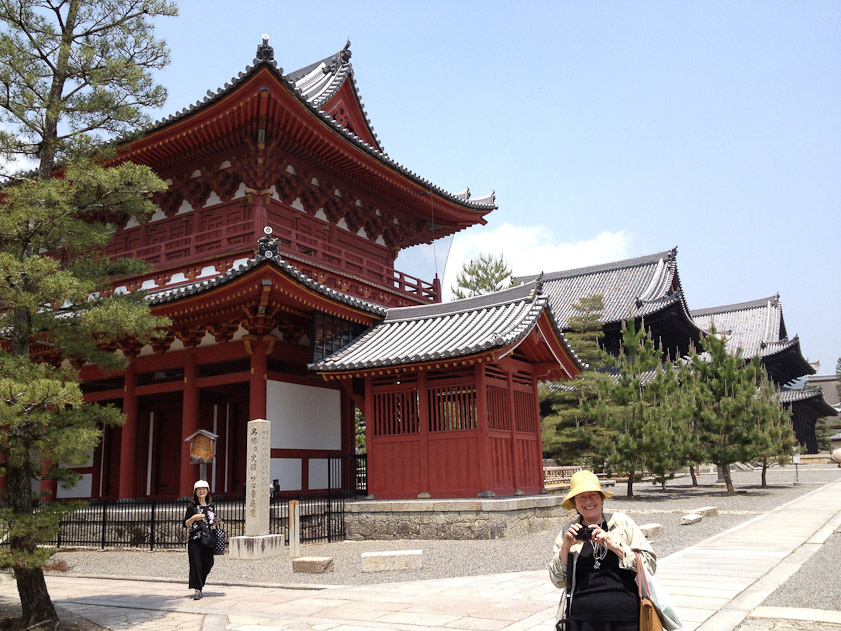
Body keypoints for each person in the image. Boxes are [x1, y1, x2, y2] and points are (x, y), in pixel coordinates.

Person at [548, 470, 656, 631]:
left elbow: (650, 566)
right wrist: (566, 547)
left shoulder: (621, 523)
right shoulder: (568, 531)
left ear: (601, 498)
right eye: (581, 497)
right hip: (581, 620)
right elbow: (557, 580)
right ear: (575, 503)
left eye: (593, 495)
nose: (588, 501)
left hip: (626, 618)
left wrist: (614, 546)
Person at [184, 479, 217, 600]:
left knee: (209, 563)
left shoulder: (211, 506)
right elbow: (185, 524)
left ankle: (200, 583)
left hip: (208, 539)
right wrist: (194, 517)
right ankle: (197, 589)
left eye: (204, 489)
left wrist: (216, 522)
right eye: (199, 489)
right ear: (195, 492)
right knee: (196, 565)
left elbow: (211, 520)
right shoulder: (191, 507)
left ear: (208, 491)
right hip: (195, 540)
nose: (202, 491)